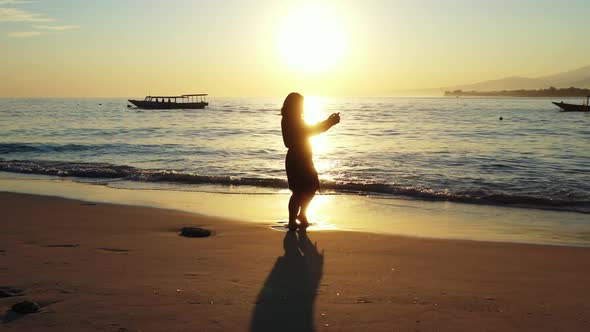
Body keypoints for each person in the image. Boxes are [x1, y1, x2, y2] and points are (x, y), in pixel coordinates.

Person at [281, 92, 340, 231]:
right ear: (294, 105)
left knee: (312, 186)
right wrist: (328, 123)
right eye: (300, 104)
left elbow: (310, 130)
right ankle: (292, 221)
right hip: (296, 160)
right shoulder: (289, 120)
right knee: (298, 191)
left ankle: (302, 214)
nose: (302, 106)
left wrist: (328, 123)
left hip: (305, 159)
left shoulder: (297, 119)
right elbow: (294, 139)